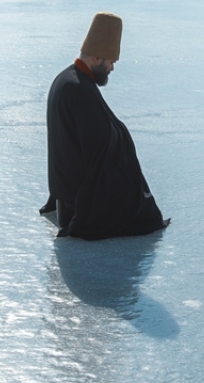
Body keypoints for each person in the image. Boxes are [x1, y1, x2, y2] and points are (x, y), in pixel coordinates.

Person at [40, 12, 170, 240]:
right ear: (97, 58)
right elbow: (100, 153)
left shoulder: (66, 79)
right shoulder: (79, 89)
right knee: (140, 211)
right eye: (111, 62)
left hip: (66, 202)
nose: (112, 68)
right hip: (76, 211)